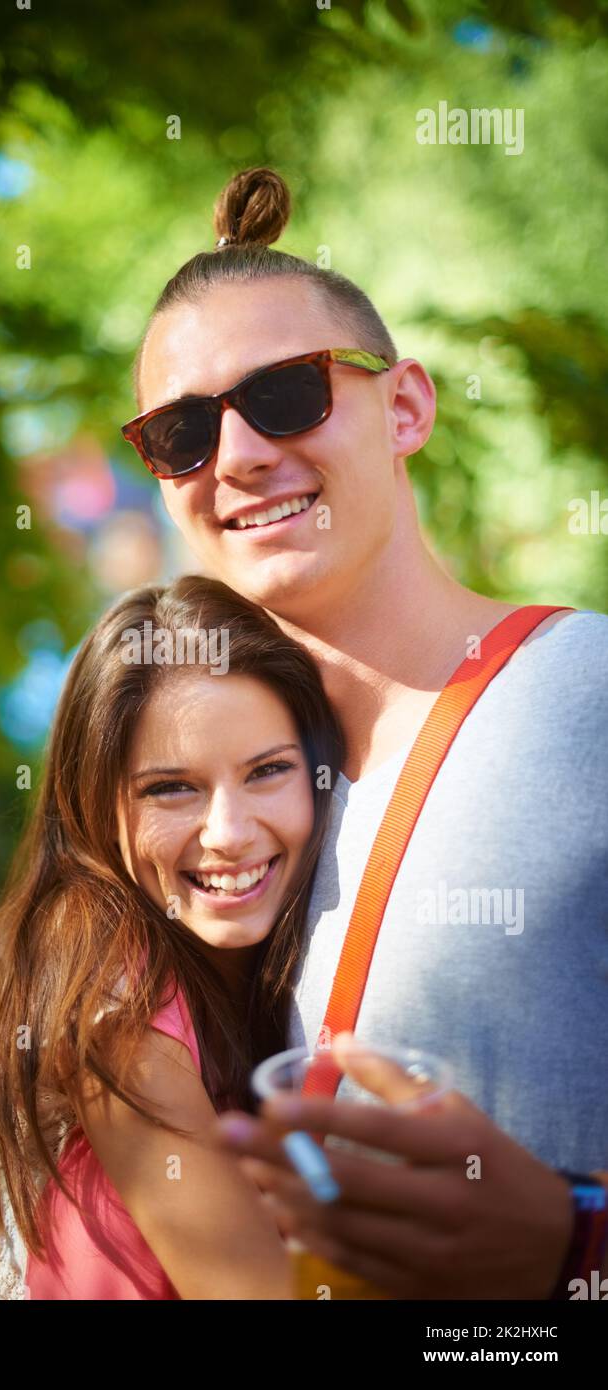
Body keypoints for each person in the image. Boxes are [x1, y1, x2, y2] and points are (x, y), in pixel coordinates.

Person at [119, 166, 608, 1298]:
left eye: (286, 394)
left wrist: (573, 1249)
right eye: (183, 432)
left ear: (407, 408)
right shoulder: (237, 820)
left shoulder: (588, 696)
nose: (236, 455)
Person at [0, 575, 342, 1298]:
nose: (228, 834)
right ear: (96, 801)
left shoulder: (236, 960)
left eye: (268, 771)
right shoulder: (115, 998)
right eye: (170, 788)